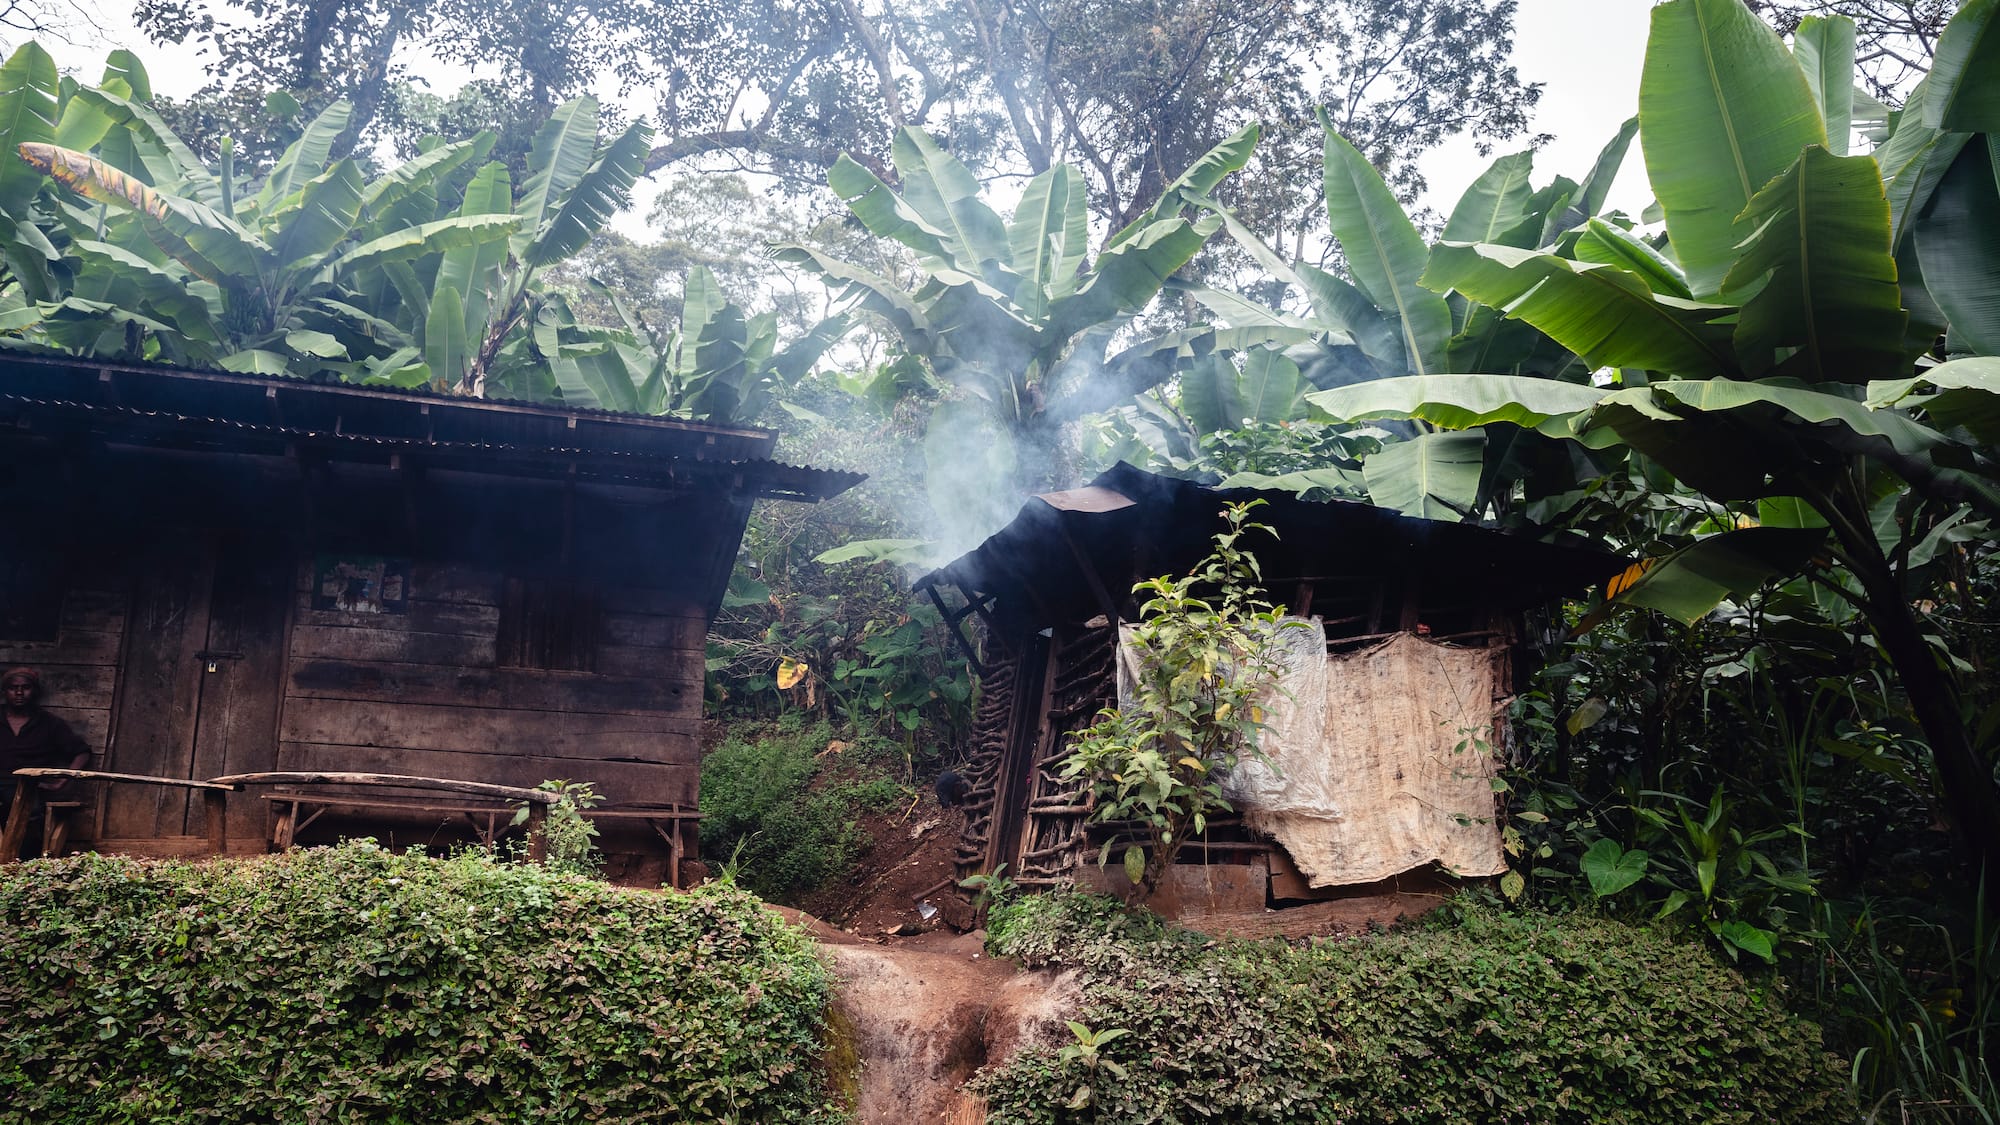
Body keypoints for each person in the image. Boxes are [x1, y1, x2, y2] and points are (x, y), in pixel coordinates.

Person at [3, 667, 91, 858]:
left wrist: (63, 779)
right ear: (5, 691)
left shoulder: (49, 724)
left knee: (30, 817)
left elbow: (82, 752)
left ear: (34, 691)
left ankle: (23, 867)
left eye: (25, 687)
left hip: (30, 787)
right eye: (13, 688)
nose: (19, 693)